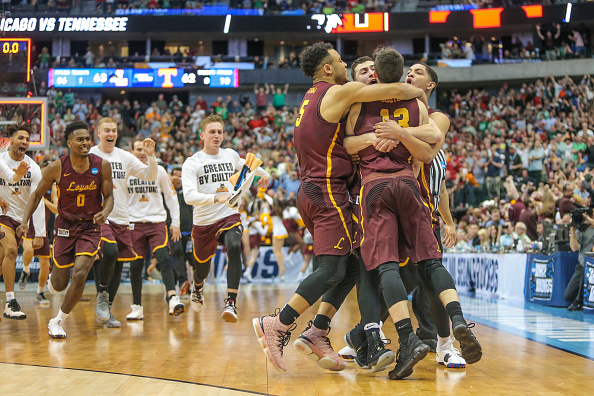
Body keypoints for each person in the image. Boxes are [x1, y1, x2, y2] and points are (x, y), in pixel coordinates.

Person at [252, 42, 426, 373]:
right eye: (341, 61)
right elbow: (396, 89)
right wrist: (418, 91)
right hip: (326, 190)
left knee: (348, 265)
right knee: (332, 268)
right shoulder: (337, 92)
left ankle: (317, 331)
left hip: (314, 189)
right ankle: (278, 323)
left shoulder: (310, 97)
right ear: (328, 69)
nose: (346, 64)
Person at [344, 48, 480, 379]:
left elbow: (348, 145)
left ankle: (411, 338)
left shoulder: (360, 101)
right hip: (409, 186)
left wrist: (388, 135)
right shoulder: (417, 105)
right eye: (411, 71)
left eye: (420, 73)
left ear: (374, 71)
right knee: (428, 267)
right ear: (402, 71)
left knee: (387, 268)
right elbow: (430, 145)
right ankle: (455, 320)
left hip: (377, 187)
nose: (412, 77)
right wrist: (394, 134)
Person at [16, 121, 113, 338]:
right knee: (59, 284)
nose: (86, 143)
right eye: (80, 139)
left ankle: (58, 320)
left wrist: (105, 212)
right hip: (65, 226)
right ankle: (53, 278)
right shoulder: (57, 167)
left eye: (87, 139)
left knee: (80, 274)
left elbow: (109, 197)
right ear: (69, 143)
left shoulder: (102, 165)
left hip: (90, 227)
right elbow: (36, 195)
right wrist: (24, 222)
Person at [182, 115, 269, 322]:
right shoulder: (192, 162)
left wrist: (265, 175)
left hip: (229, 214)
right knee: (201, 268)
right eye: (212, 132)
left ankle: (231, 303)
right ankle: (198, 287)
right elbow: (189, 197)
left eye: (220, 132)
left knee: (233, 246)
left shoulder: (229, 155)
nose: (217, 135)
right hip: (203, 222)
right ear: (202, 135)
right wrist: (216, 197)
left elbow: (249, 167)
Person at [89, 117, 158, 327]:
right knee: (109, 253)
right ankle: (102, 295)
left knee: (117, 266)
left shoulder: (124, 157)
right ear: (98, 133)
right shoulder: (90, 154)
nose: (111, 134)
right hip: (99, 216)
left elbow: (149, 176)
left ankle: (106, 309)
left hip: (122, 217)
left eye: (114, 131)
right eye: (107, 130)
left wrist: (151, 156)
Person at [126, 140, 185, 320]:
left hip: (157, 223)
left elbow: (171, 197)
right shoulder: (126, 172)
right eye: (138, 149)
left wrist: (175, 222)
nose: (142, 152)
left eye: (145, 149)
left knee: (164, 259)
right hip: (134, 224)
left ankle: (172, 297)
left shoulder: (159, 171)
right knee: (136, 266)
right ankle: (136, 306)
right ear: (131, 152)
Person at [0, 124, 46, 320]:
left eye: (27, 138)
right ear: (11, 140)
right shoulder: (1, 159)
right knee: (11, 250)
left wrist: (40, 233)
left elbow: (37, 200)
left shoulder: (34, 168)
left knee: (2, 262)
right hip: (2, 215)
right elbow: (11, 177)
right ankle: (10, 302)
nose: (25, 142)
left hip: (20, 220)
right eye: (21, 137)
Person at [18, 162, 56, 305]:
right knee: (28, 249)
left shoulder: (52, 188)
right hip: (28, 224)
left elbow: (57, 209)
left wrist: (43, 202)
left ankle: (40, 293)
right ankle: (26, 271)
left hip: (43, 227)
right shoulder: (29, 184)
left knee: (45, 264)